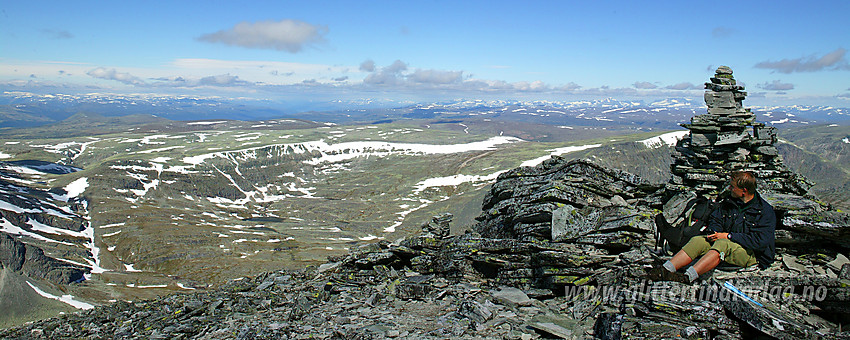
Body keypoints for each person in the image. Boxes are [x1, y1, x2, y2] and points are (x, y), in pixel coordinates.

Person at [649, 171, 776, 283]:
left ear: (744, 191)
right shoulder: (729, 202)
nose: (730, 189)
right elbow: (716, 218)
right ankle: (665, 270)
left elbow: (760, 241)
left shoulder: (764, 211)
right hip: (727, 243)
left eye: (733, 187)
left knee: (723, 244)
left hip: (752, 255)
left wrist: (728, 236)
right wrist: (714, 232)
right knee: (698, 241)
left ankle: (687, 277)